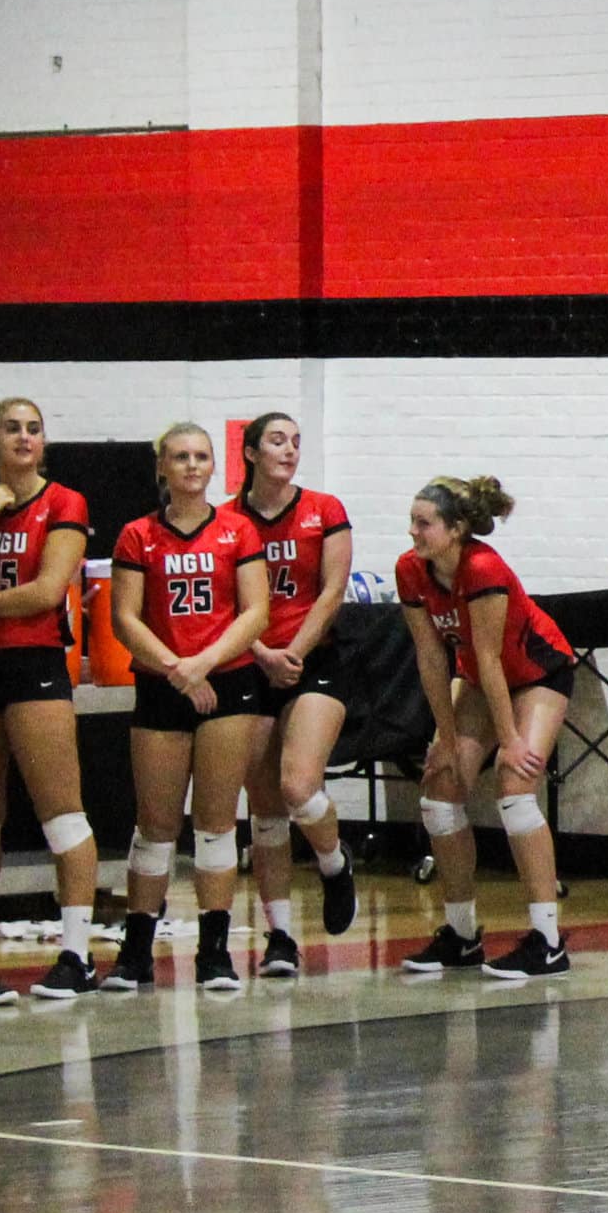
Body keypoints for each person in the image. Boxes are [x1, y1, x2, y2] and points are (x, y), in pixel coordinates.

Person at [107, 423, 271, 992]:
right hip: (162, 684)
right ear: (162, 467)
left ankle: (215, 949)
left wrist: (202, 665)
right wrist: (177, 670)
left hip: (226, 684)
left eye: (201, 456)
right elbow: (123, 619)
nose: (192, 466)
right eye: (181, 457)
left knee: (216, 822)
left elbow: (256, 613)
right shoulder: (136, 535)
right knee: (154, 824)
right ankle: (135, 952)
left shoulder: (238, 530)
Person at [393, 477, 576, 981]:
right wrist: (446, 739)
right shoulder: (411, 571)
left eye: (423, 523)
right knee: (440, 791)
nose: (413, 532)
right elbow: (432, 658)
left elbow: (493, 660)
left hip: (539, 671)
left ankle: (548, 940)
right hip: (476, 678)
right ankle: (462, 933)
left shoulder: (484, 568)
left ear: (455, 530)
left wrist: (512, 742)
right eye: (412, 520)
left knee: (515, 787)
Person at [0, 398, 101, 1002]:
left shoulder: (63, 502)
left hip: (33, 665)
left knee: (62, 814)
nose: (24, 437)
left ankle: (76, 954)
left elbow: (47, 590)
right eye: (11, 428)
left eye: (34, 428)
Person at [234, 413, 359, 976]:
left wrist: (293, 654)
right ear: (252, 452)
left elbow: (333, 589)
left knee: (297, 784)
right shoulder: (228, 519)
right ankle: (280, 936)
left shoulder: (324, 509)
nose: (289, 451)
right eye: (277, 441)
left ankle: (334, 863)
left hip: (314, 658)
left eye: (296, 442)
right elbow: (226, 603)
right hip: (248, 658)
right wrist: (260, 651)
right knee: (264, 809)